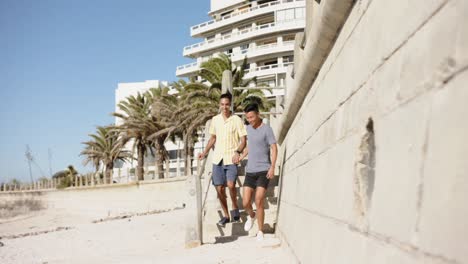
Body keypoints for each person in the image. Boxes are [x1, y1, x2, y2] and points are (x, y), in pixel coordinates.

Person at [198, 93, 247, 227]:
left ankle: (235, 207)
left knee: (231, 185)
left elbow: (243, 140)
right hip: (217, 159)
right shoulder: (215, 120)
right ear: (219, 105)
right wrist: (204, 152)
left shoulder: (236, 119)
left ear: (230, 105)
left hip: (231, 157)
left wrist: (238, 152)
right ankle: (226, 215)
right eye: (222, 104)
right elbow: (213, 138)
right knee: (219, 188)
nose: (224, 107)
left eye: (227, 104)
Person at [239, 103, 277, 241]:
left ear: (258, 114)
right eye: (247, 118)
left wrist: (272, 166)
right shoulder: (248, 129)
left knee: (259, 199)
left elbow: (274, 148)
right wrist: (241, 156)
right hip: (250, 170)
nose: (250, 120)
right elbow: (250, 146)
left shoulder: (267, 129)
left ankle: (260, 231)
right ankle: (252, 216)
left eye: (252, 117)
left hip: (263, 170)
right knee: (245, 202)